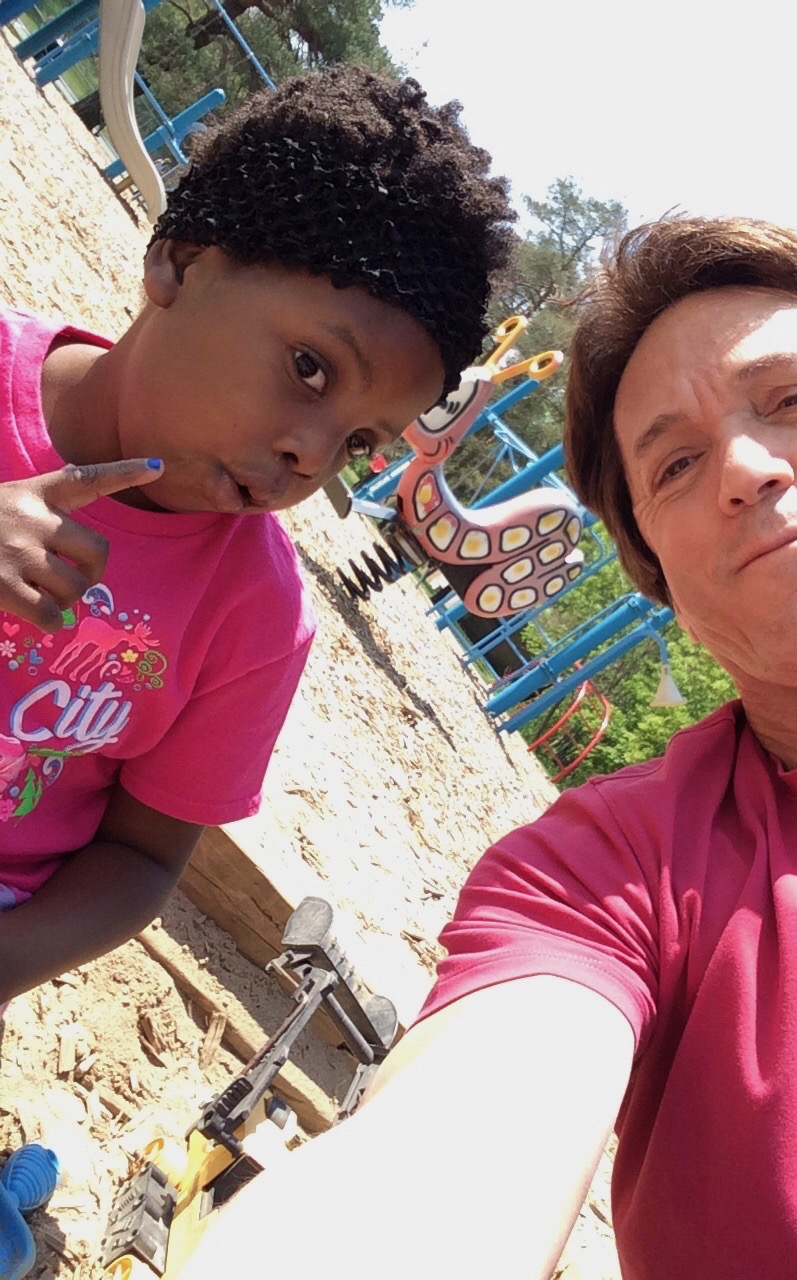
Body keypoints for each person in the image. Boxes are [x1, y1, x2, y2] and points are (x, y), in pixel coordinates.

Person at [174, 214, 797, 1280]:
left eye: (795, 399)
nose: (744, 468)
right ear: (659, 573)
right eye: (676, 464)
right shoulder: (609, 875)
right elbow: (450, 1151)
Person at [0, 66, 515, 1007]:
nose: (309, 456)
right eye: (310, 369)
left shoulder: (257, 620)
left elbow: (141, 856)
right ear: (180, 261)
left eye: (357, 442)